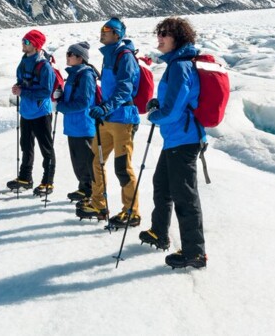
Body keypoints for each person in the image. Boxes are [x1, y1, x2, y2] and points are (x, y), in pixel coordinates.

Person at [140, 16, 208, 269]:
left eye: (165, 34)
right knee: (162, 185)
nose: (160, 37)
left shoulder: (180, 66)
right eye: (159, 32)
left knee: (185, 196)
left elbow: (174, 110)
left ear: (177, 38)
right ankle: (159, 232)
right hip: (177, 138)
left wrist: (155, 114)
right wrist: (159, 106)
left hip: (184, 138)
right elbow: (174, 102)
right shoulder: (177, 64)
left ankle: (195, 252)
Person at [77, 17, 141, 228]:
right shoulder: (109, 56)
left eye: (108, 29)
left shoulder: (125, 56)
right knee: (96, 161)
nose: (102, 32)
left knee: (122, 167)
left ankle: (131, 212)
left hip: (122, 119)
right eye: (102, 28)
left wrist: (105, 107)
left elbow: (125, 89)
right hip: (107, 119)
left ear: (118, 34)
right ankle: (99, 205)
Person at [8, 29, 57, 196]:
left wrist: (23, 92)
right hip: (27, 111)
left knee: (46, 149)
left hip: (41, 113)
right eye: (23, 40)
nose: (23, 43)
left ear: (36, 46)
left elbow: (45, 92)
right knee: (26, 146)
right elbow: (24, 82)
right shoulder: (24, 62)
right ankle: (25, 177)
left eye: (27, 42)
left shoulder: (45, 67)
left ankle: (47, 181)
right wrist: (18, 87)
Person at [55, 42, 97, 204]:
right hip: (74, 125)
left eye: (70, 54)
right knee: (78, 161)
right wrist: (61, 97)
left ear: (80, 58)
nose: (67, 56)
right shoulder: (74, 74)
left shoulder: (85, 75)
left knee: (86, 161)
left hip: (83, 125)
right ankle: (84, 188)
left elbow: (84, 102)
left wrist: (62, 106)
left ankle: (90, 191)